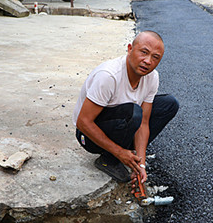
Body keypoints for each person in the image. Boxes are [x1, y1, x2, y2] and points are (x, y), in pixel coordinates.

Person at [73, 31, 179, 183]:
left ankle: (130, 155)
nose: (148, 61)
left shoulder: (152, 77)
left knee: (169, 104)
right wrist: (120, 153)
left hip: (120, 123)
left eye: (155, 57)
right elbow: (83, 122)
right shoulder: (108, 76)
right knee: (134, 112)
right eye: (144, 52)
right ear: (130, 49)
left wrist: (140, 163)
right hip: (88, 136)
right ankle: (109, 160)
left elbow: (144, 123)